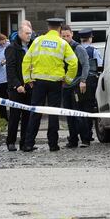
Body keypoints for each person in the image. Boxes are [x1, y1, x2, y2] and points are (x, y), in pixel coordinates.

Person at [21, 17, 78, 152]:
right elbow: (73, 63)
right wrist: (68, 79)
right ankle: (53, 144)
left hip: (38, 83)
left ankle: (28, 144)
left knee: (35, 113)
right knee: (54, 113)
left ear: (48, 28)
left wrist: (28, 80)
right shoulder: (62, 43)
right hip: (55, 84)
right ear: (59, 29)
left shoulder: (38, 41)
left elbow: (26, 61)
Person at [60, 25, 90, 148]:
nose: (66, 38)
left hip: (77, 84)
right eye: (63, 36)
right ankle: (73, 140)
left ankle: (85, 139)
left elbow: (86, 65)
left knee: (78, 114)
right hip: (65, 86)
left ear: (72, 34)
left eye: (68, 35)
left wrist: (83, 80)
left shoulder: (78, 48)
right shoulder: (60, 48)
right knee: (69, 114)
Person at [5, 25, 33, 151]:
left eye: (30, 33)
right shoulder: (12, 48)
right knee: (15, 116)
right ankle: (11, 141)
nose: (29, 35)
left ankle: (24, 143)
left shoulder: (32, 46)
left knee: (27, 115)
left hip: (29, 85)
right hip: (16, 87)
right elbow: (10, 69)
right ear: (20, 33)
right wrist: (17, 85)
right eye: (27, 33)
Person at [78, 28, 103, 142]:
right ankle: (88, 134)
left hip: (77, 81)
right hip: (90, 81)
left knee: (79, 108)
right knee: (89, 107)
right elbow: (100, 64)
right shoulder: (93, 51)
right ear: (90, 38)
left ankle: (81, 134)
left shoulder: (76, 49)